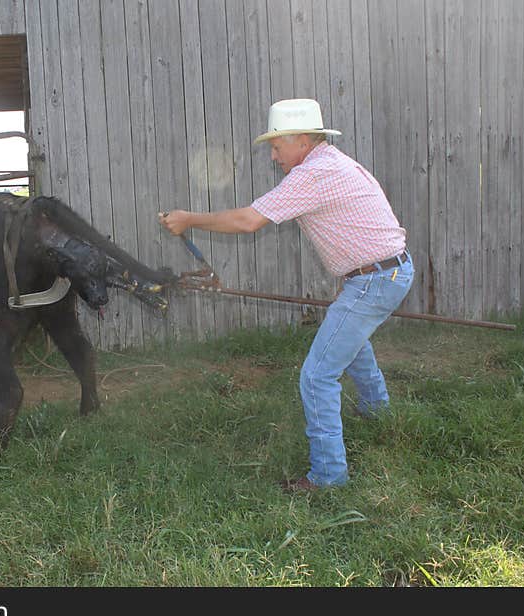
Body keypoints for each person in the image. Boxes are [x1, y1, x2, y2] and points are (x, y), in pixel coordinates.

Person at [159, 98, 414, 491]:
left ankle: (329, 477)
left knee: (317, 376)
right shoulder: (332, 163)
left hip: (376, 278)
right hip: (386, 272)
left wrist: (189, 219)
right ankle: (377, 412)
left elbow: (248, 221)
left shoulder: (314, 174)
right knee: (349, 340)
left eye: (277, 146)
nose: (274, 156)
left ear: (302, 141)